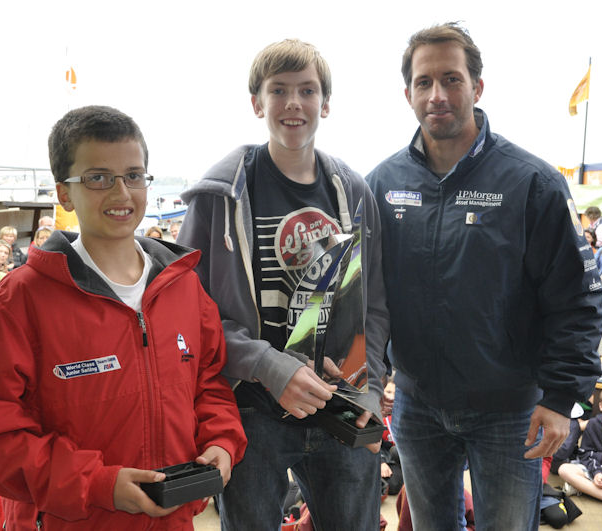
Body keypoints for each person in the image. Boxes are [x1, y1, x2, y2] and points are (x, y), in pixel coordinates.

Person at [0, 105, 247, 530]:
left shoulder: (183, 287)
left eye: (134, 175)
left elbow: (210, 385)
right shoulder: (21, 299)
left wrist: (221, 440)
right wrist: (97, 484)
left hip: (172, 520)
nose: (122, 193)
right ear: (64, 193)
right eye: (98, 178)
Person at [365, 22, 602, 529]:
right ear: (407, 93)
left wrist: (561, 398)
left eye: (451, 79)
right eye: (424, 82)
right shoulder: (382, 184)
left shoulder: (532, 182)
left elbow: (578, 299)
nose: (437, 95)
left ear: (477, 87)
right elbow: (365, 297)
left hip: (511, 413)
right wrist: (369, 379)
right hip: (416, 406)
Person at [178, 39, 389, 531]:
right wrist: (267, 366)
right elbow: (189, 311)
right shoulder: (218, 198)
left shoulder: (354, 192)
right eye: (279, 90)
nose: (294, 103)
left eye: (308, 90)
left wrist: (370, 387)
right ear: (257, 103)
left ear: (326, 104)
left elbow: (373, 306)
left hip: (340, 406)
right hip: (251, 410)